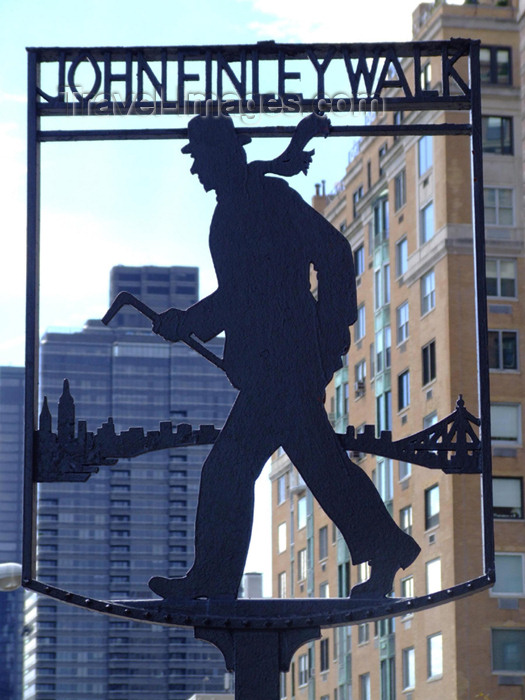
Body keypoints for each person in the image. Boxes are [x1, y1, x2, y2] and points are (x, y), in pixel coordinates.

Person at [148, 114, 420, 601]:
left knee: (231, 469)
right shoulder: (234, 208)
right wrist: (189, 320)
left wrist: (330, 335)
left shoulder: (267, 199)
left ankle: (215, 577)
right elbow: (242, 293)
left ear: (223, 155)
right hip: (270, 365)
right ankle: (387, 547)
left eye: (200, 159)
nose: (196, 171)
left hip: (285, 365)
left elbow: (330, 256)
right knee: (317, 465)